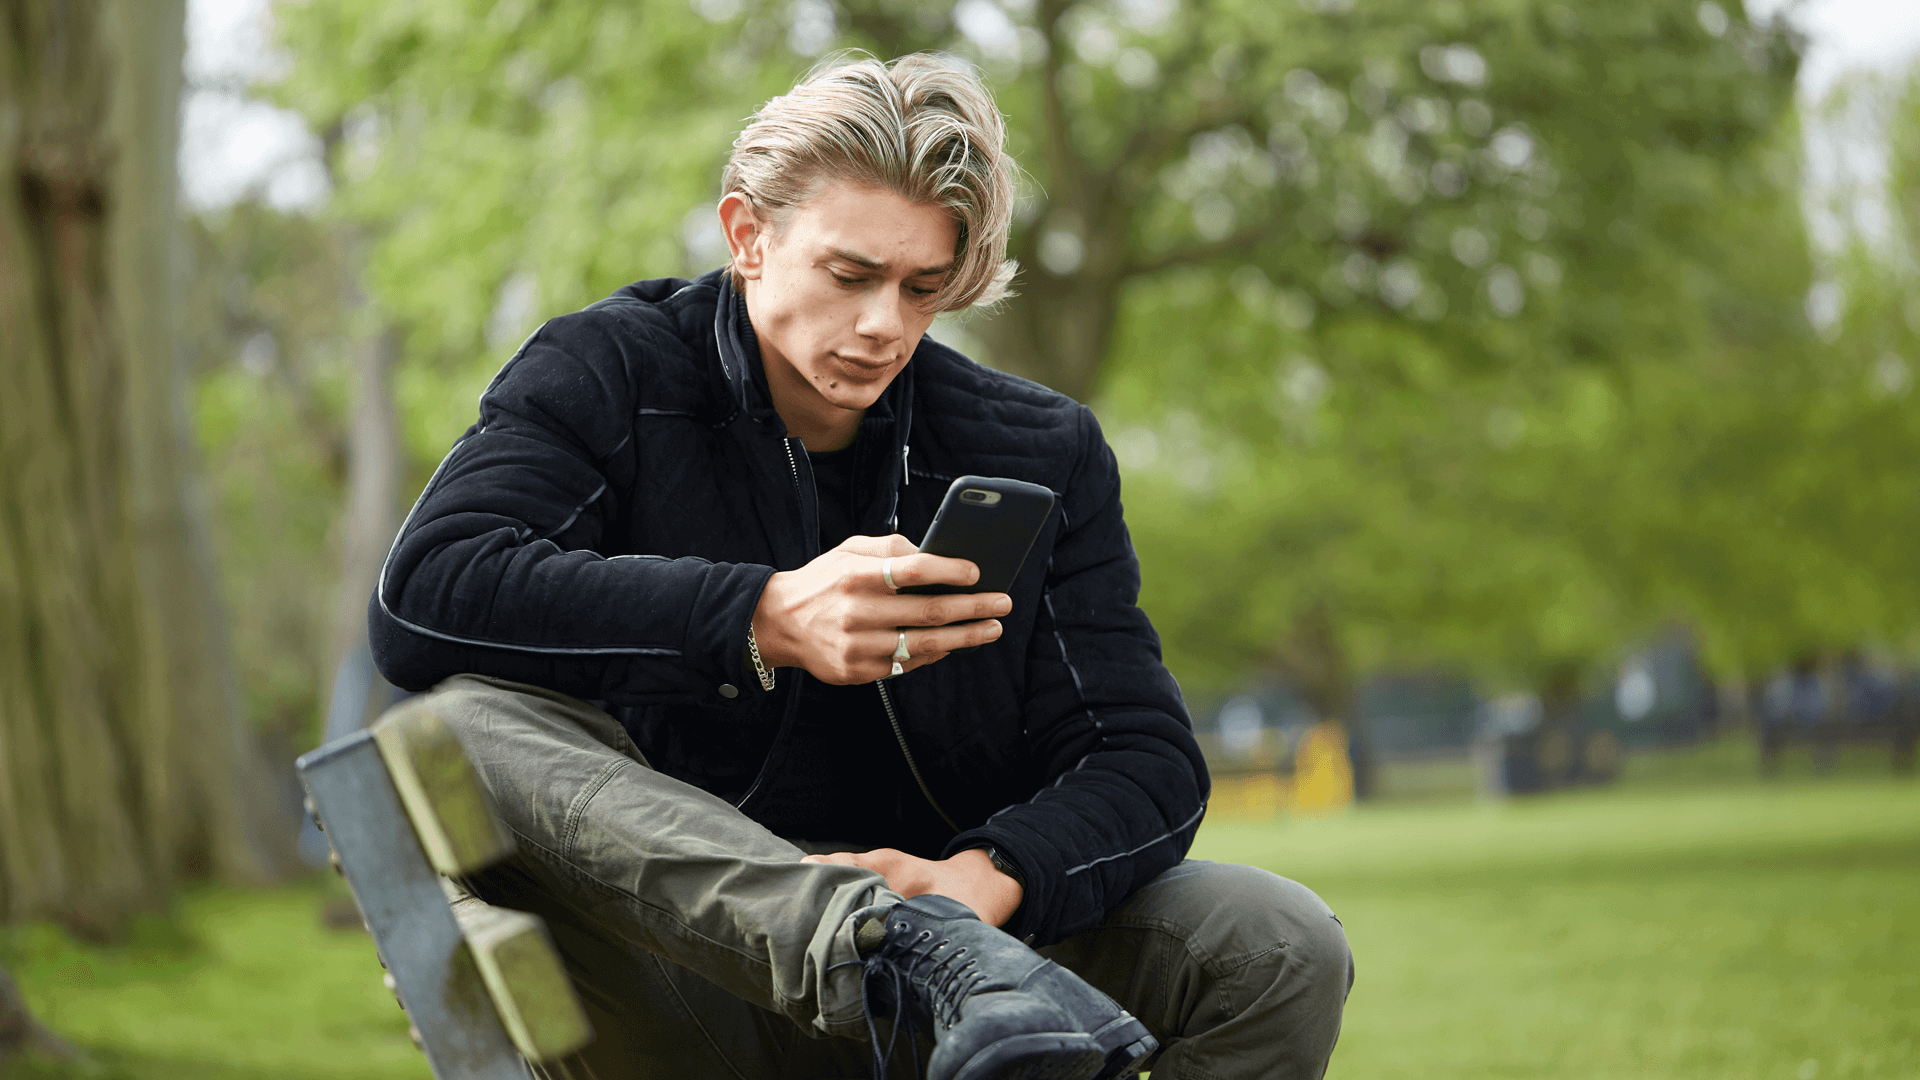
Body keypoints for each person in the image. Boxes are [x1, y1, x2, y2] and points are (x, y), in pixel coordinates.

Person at [370, 52, 1352, 1080]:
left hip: (996, 986)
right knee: (449, 728)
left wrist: (985, 879)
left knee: (1281, 942)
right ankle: (876, 946)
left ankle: (929, 950)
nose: (885, 324)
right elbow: (427, 592)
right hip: (692, 972)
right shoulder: (607, 371)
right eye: (850, 275)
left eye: (924, 288)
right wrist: (760, 616)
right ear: (749, 235)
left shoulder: (1036, 449)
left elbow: (1144, 757)